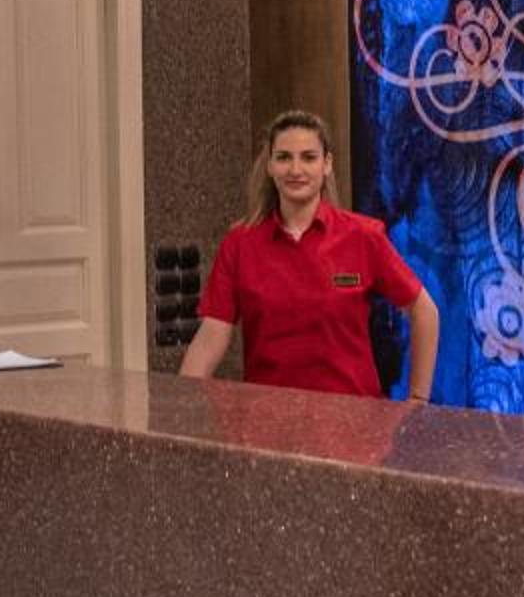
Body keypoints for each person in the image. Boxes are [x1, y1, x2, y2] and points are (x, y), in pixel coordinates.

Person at [180, 110, 440, 402]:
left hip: (353, 420)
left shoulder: (363, 236)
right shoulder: (239, 244)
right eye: (283, 157)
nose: (296, 169)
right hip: (268, 417)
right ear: (269, 166)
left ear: (326, 164)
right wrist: (180, 407)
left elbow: (424, 311)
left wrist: (418, 400)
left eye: (308, 157)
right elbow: (212, 335)